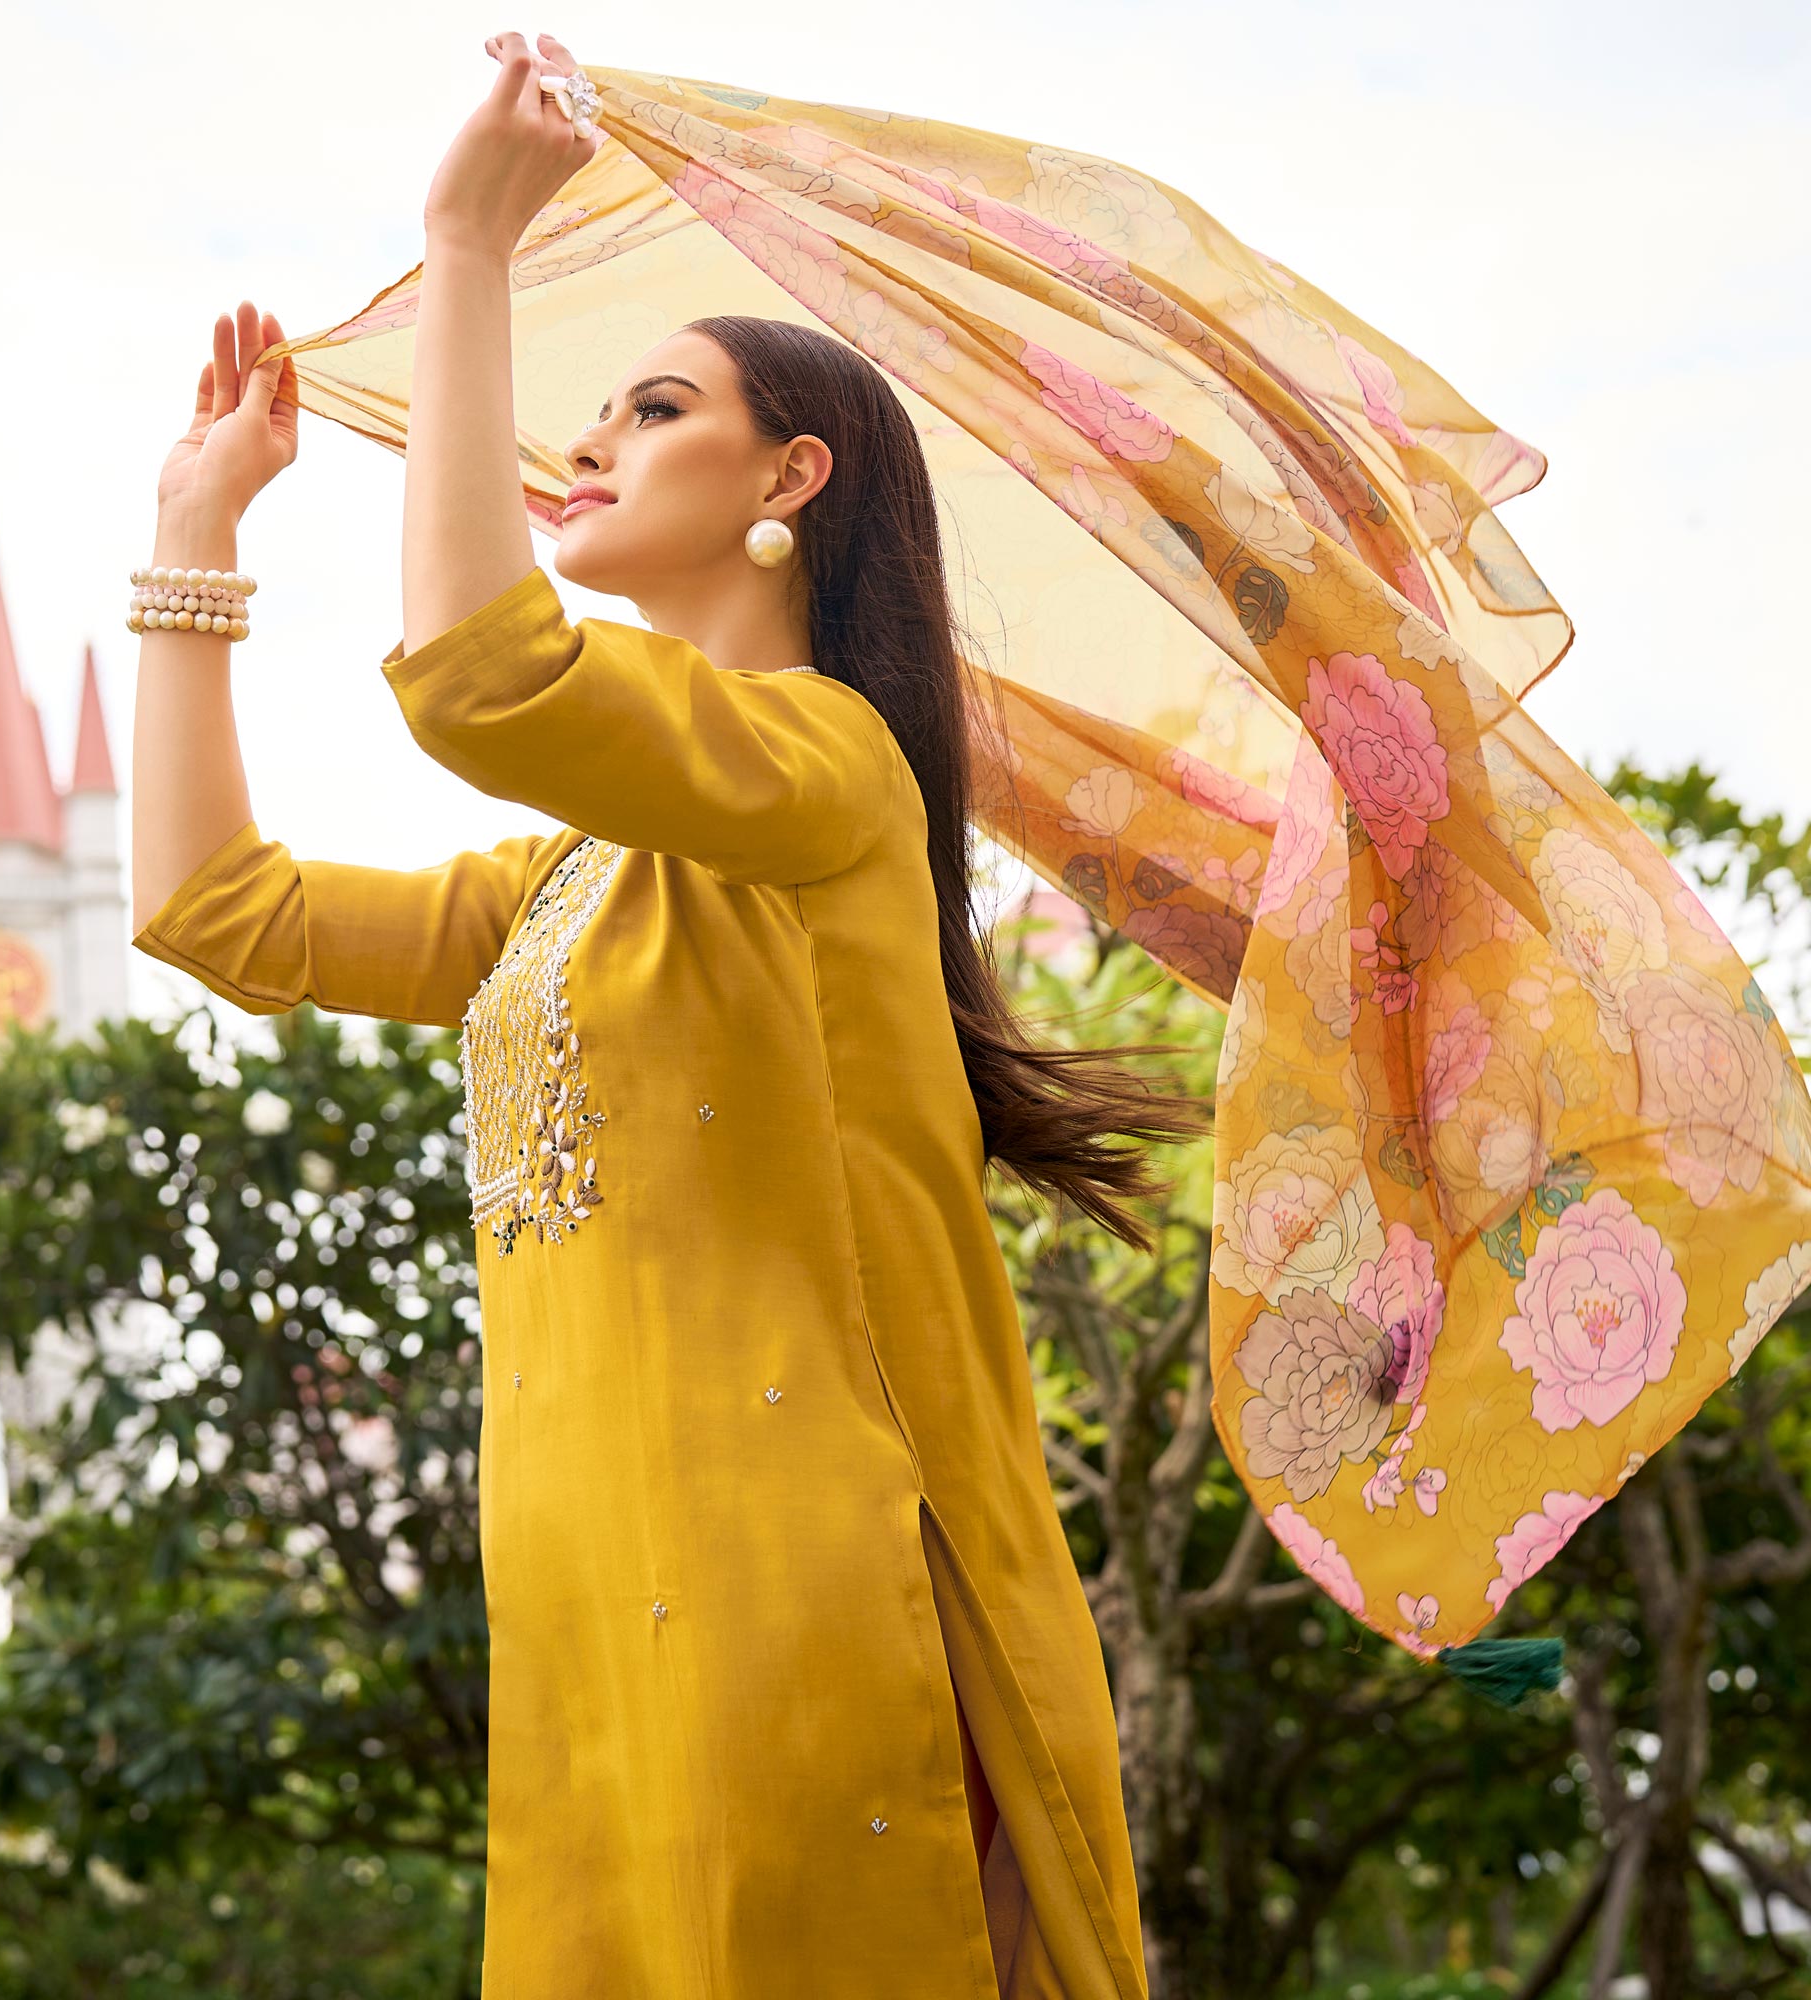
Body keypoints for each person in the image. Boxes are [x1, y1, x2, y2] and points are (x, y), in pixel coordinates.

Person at [130, 28, 1193, 2000]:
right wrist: (194, 546)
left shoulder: (827, 775)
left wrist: (470, 246)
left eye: (650, 405)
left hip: (814, 1605)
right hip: (602, 1640)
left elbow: (478, 673)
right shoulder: (569, 885)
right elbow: (217, 909)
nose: (591, 443)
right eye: (595, 407)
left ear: (791, 477)